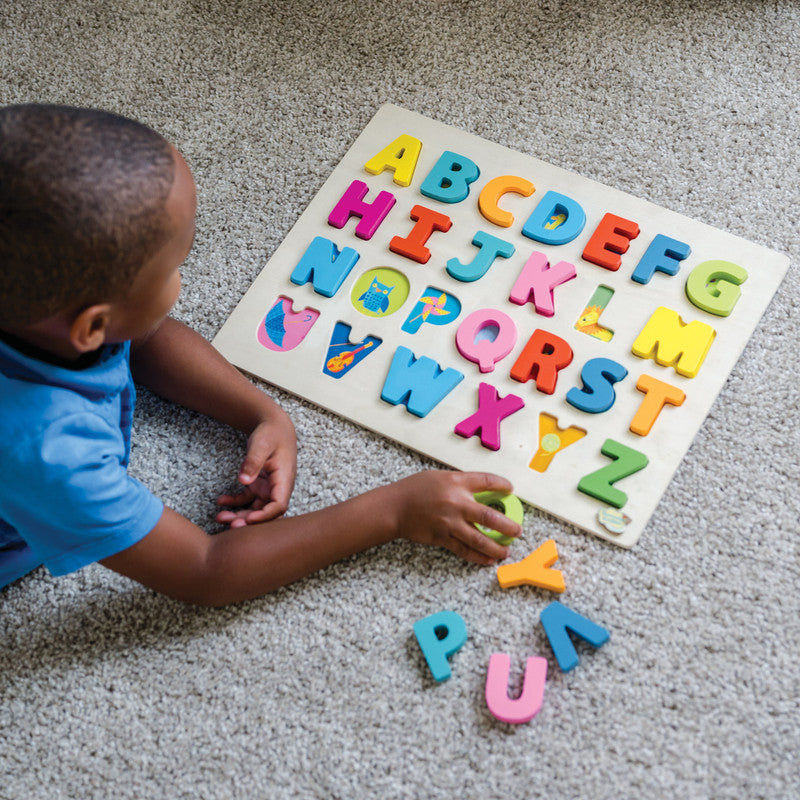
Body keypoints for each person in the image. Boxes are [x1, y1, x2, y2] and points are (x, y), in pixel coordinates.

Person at [0, 104, 521, 605]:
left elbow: (145, 338)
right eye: (175, 266)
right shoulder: (53, 451)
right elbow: (206, 571)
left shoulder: (38, 313)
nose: (184, 273)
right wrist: (392, 510)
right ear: (92, 326)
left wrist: (263, 413)